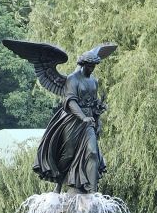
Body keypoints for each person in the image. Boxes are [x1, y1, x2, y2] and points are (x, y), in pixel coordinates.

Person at [33, 51, 107, 194]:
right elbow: (71, 101)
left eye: (94, 66)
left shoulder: (94, 81)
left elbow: (93, 103)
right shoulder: (73, 79)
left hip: (88, 122)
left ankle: (92, 192)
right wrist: (82, 117)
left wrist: (97, 115)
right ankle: (59, 182)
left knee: (92, 152)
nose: (92, 69)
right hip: (72, 121)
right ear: (83, 64)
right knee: (68, 154)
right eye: (89, 66)